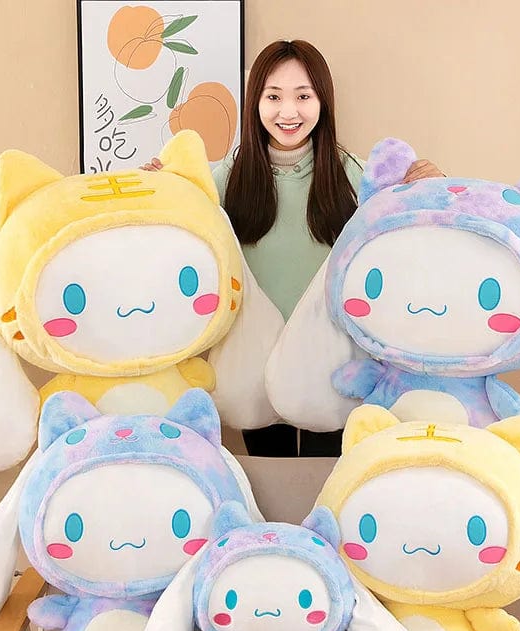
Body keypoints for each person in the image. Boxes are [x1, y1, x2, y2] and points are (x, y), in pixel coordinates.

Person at [143, 39, 444, 457]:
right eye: (274, 97)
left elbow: (409, 230)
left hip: (330, 364)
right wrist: (156, 189)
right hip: (251, 366)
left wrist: (430, 186)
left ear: (323, 102)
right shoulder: (228, 177)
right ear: (256, 103)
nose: (288, 112)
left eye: (303, 96)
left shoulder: (353, 175)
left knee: (326, 479)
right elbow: (179, 224)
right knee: (272, 479)